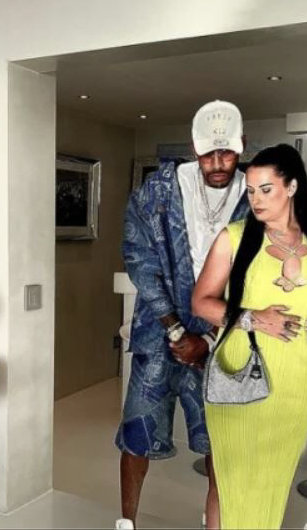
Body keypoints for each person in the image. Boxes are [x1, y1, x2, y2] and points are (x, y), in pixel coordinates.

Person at [192, 143, 307, 529]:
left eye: (266, 189)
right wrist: (252, 318)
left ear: (292, 187)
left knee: (273, 480)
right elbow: (201, 302)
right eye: (251, 190)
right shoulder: (234, 237)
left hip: (299, 380)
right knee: (230, 478)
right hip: (240, 374)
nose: (256, 199)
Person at [115, 100, 250, 529]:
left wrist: (207, 338)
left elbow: (254, 276)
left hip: (221, 336)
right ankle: (127, 522)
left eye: (227, 152)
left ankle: (215, 521)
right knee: (136, 431)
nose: (218, 163)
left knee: (219, 439)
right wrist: (175, 330)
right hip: (158, 332)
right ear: (194, 148)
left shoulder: (256, 196)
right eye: (209, 153)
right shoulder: (158, 190)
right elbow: (139, 258)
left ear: (242, 146)